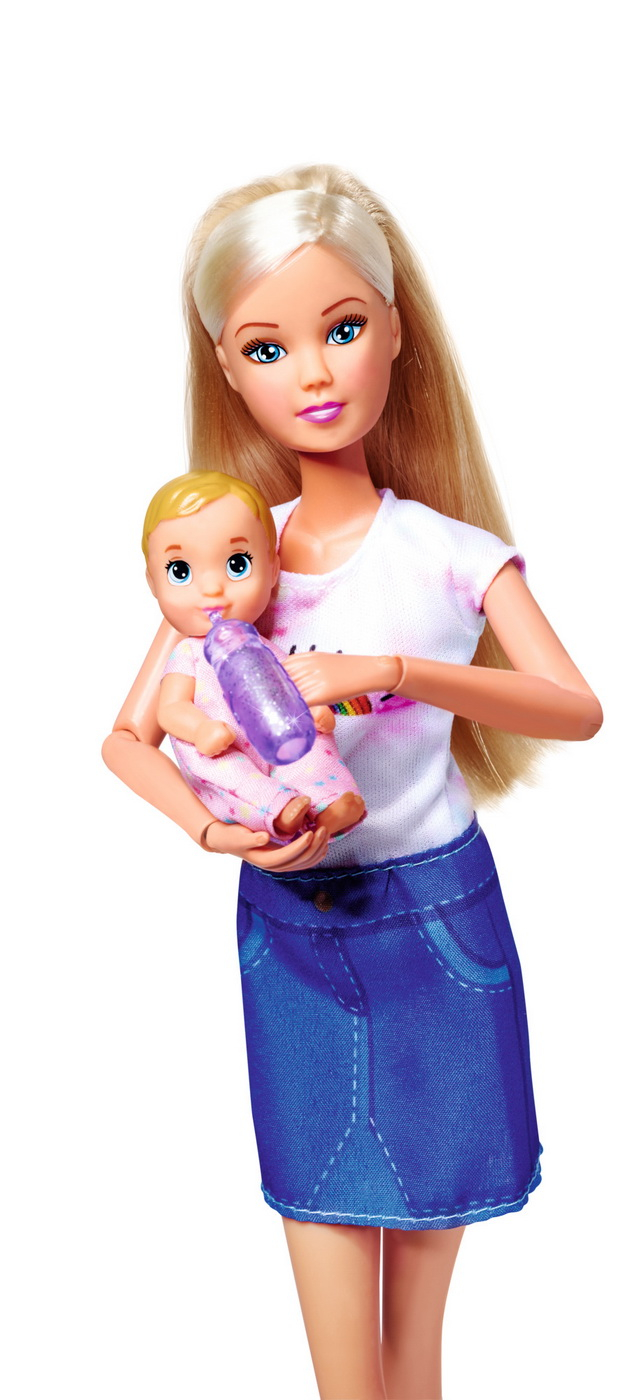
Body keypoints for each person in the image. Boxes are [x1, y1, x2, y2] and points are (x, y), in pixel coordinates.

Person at [103, 165, 602, 1400]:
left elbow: (574, 706)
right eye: (266, 347)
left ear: (394, 332)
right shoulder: (230, 554)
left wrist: (397, 672)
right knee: (331, 1297)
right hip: (293, 926)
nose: (313, 375)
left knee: (414, 1332)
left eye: (339, 329)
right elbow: (126, 736)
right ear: (227, 370)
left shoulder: (452, 556)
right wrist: (211, 832)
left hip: (435, 922)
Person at [143, 469, 366, 843]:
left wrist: (311, 710)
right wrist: (199, 729)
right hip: (221, 745)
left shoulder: (259, 645)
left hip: (277, 732)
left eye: (237, 565)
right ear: (153, 582)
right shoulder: (188, 653)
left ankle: (330, 802)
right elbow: (169, 709)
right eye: (180, 571)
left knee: (312, 745)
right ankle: (279, 811)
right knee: (227, 773)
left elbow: (289, 684)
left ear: (273, 569)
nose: (212, 589)